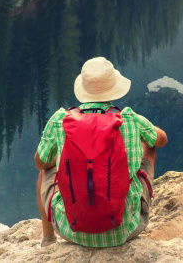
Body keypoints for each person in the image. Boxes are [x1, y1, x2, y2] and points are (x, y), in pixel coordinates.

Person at [34, 56, 168, 248]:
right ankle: (134, 208)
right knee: (150, 146)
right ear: (114, 87)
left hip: (71, 231)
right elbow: (162, 140)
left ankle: (48, 238)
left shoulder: (59, 120)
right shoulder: (129, 118)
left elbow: (40, 162)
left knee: (46, 166)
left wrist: (61, 157)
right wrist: (142, 130)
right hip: (125, 231)